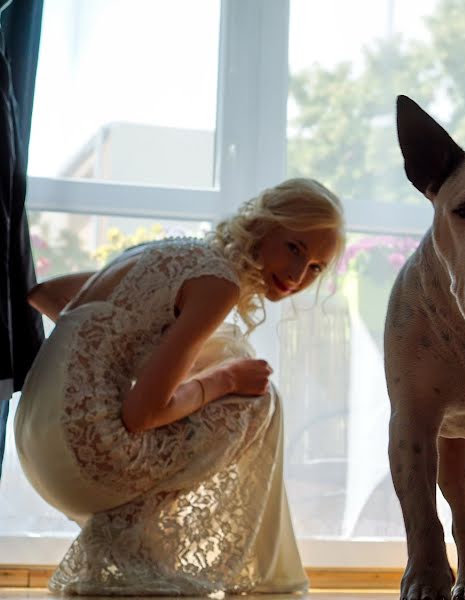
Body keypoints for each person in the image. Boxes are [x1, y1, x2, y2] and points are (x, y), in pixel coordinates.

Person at [15, 178, 345, 595]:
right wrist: (225, 378)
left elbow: (48, 294)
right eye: (295, 248)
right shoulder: (219, 283)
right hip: (84, 459)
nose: (299, 274)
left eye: (316, 266)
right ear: (262, 228)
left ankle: (138, 547)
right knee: (257, 398)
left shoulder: (173, 254)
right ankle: (131, 549)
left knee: (217, 358)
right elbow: (141, 415)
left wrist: (114, 363)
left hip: (36, 441)